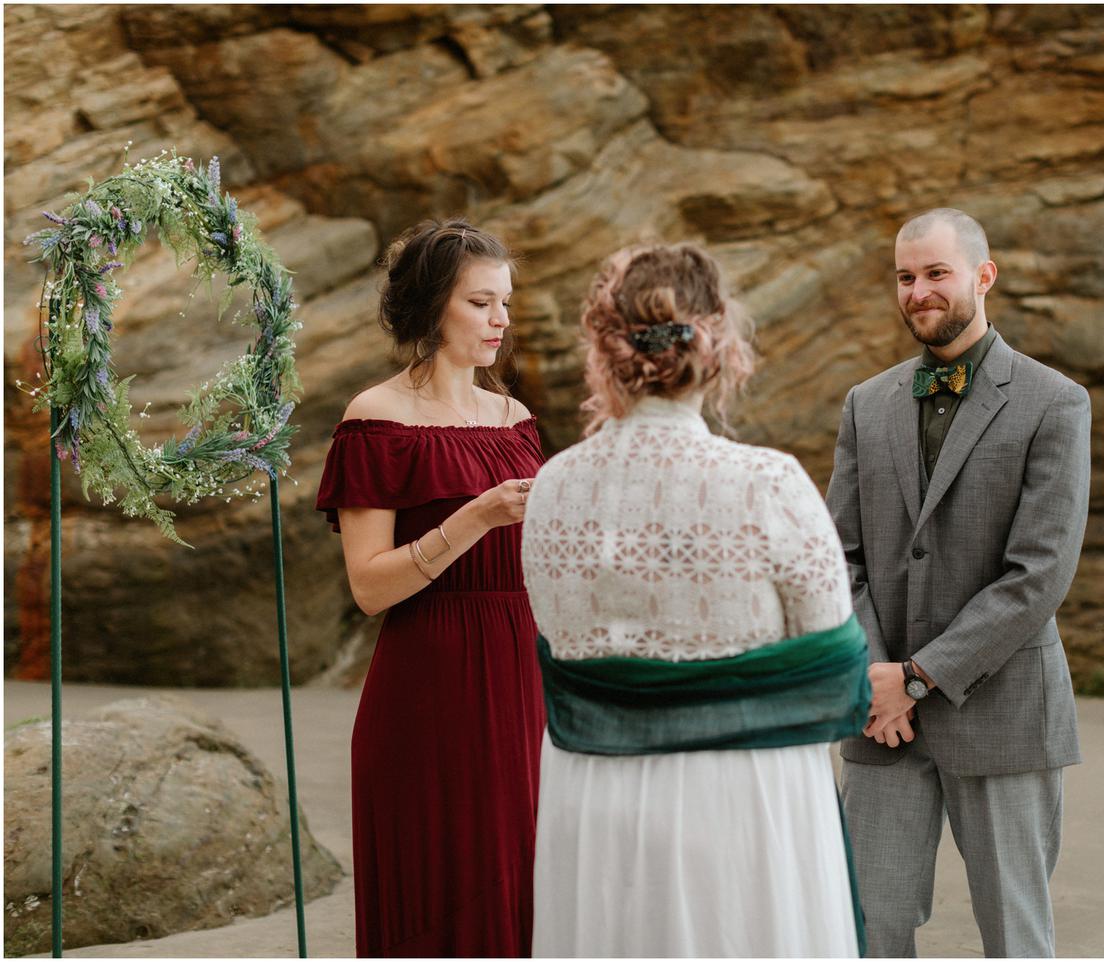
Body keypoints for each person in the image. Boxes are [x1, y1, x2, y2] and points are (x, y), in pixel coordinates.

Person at [521, 243, 870, 958]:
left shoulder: (552, 487)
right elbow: (837, 667)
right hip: (743, 797)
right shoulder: (768, 484)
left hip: (592, 797)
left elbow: (558, 634)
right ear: (718, 345)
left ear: (604, 351)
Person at [826, 208, 1091, 958]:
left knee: (1014, 933)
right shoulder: (865, 403)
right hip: (882, 721)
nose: (918, 292)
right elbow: (838, 556)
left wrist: (916, 678)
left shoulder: (1055, 401)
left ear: (984, 275)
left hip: (1002, 711)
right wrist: (876, 675)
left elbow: (1039, 574)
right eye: (905, 277)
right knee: (868, 927)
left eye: (937, 273)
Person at [314, 219, 544, 957]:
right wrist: (477, 516)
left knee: (524, 888)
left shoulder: (516, 421)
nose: (500, 320)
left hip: (524, 684)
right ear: (431, 305)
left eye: (505, 303)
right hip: (428, 688)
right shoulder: (375, 420)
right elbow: (369, 587)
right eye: (480, 303)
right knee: (440, 896)